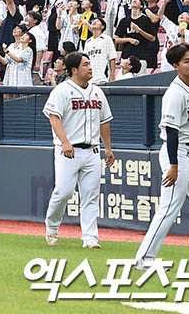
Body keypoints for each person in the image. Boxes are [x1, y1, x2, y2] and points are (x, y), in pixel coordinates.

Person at [135, 43, 189, 272]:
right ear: (175, 66)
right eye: (187, 60)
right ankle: (144, 259)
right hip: (178, 155)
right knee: (170, 207)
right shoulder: (174, 93)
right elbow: (172, 131)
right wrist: (173, 165)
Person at [42, 52, 115, 249]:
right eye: (85, 64)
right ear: (74, 69)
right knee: (63, 192)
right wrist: (65, 142)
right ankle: (52, 226)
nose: (90, 67)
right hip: (69, 150)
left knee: (91, 196)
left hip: (92, 151)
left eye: (90, 64)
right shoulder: (62, 91)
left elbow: (105, 121)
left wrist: (108, 148)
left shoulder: (97, 92)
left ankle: (90, 238)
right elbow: (53, 117)